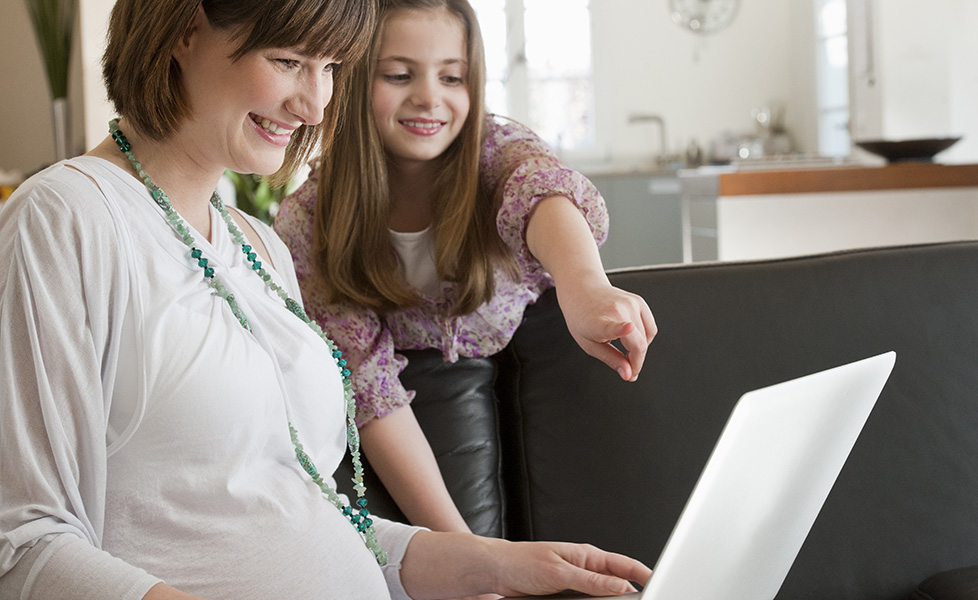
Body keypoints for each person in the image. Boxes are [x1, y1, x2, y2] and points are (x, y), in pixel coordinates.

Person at [0, 0, 653, 599]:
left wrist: (490, 563)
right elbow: (24, 544)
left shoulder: (259, 245)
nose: (315, 106)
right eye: (289, 61)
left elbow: (303, 516)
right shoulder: (66, 217)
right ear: (185, 30)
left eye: (331, 68)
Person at [274, 0, 658, 534]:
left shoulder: (498, 149)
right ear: (352, 79)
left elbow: (540, 191)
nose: (429, 97)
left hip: (540, 365)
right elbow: (366, 387)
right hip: (422, 391)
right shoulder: (309, 220)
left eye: (452, 77)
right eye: (399, 75)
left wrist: (587, 286)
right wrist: (463, 550)